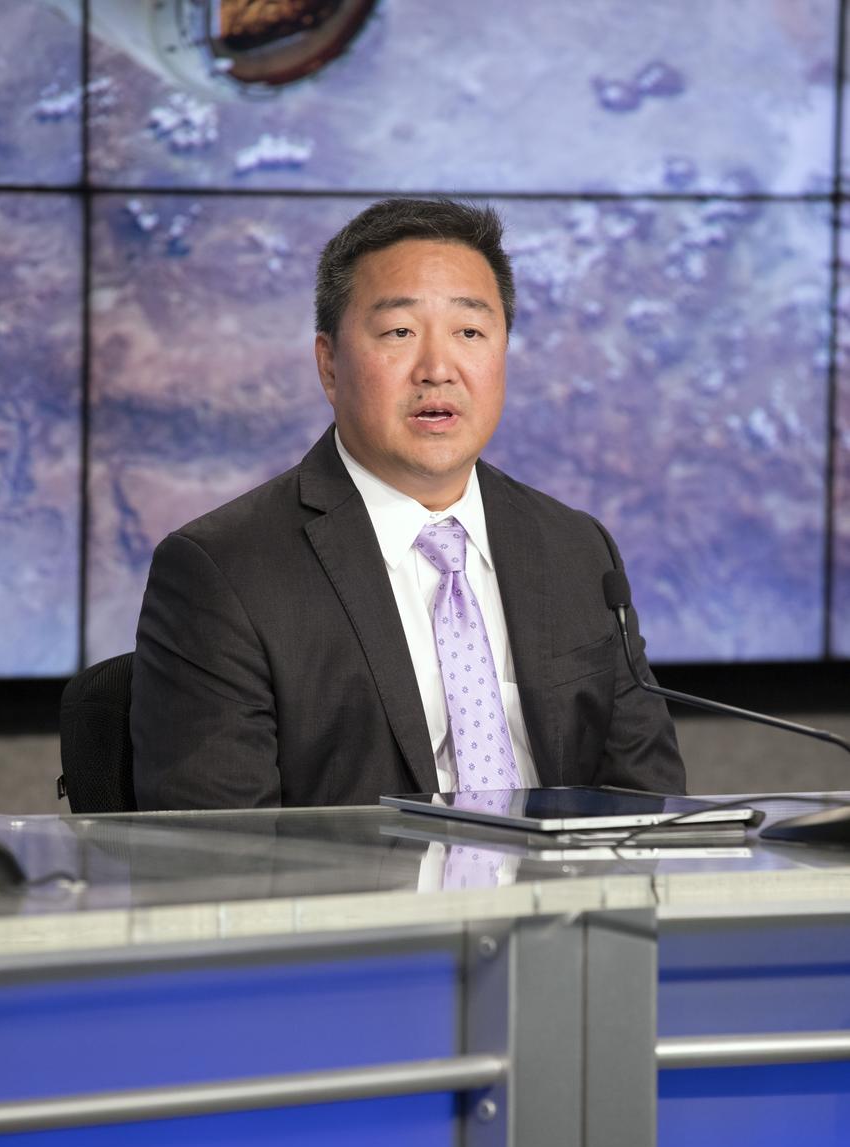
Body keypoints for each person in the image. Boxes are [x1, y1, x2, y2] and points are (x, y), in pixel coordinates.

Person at [130, 197, 685, 809]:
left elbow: (650, 807)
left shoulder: (576, 549)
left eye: (470, 332)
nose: (438, 369)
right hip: (356, 902)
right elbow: (218, 852)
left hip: (558, 903)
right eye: (399, 332)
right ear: (330, 366)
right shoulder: (223, 570)